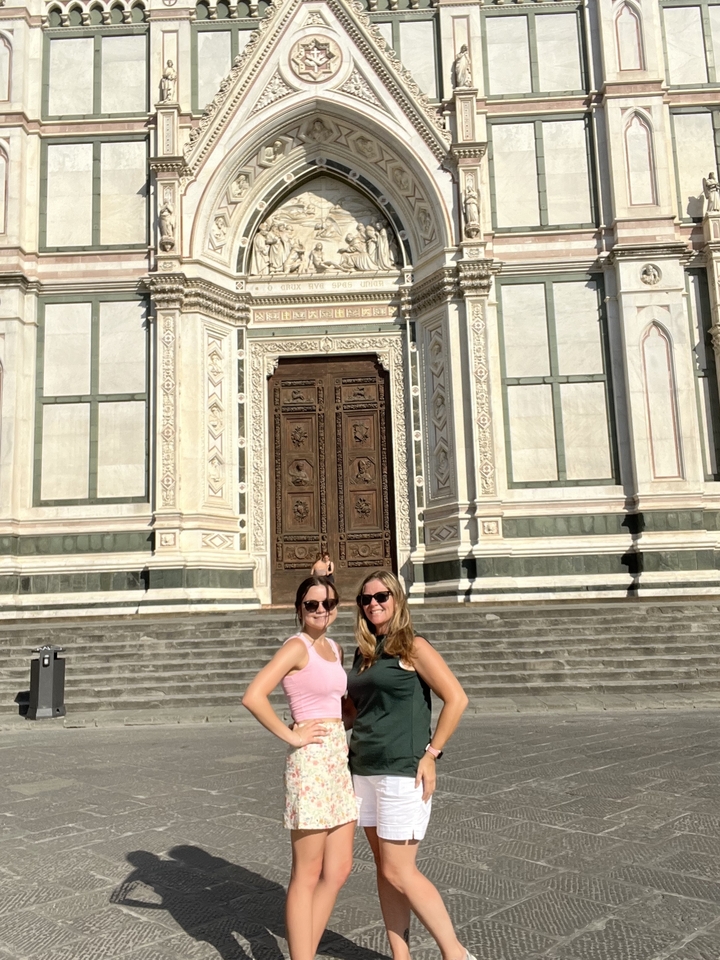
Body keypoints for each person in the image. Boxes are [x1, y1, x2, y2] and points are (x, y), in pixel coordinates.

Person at [345, 570, 475, 960]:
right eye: (366, 599)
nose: (374, 604)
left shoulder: (412, 646)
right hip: (363, 769)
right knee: (385, 870)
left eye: (382, 596)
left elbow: (457, 698)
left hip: (403, 769)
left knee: (400, 871)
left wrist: (432, 754)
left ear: (397, 598)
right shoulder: (364, 652)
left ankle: (455, 954)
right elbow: (355, 712)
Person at [242, 577, 358, 960]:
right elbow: (254, 696)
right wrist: (291, 737)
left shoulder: (335, 648)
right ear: (299, 609)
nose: (320, 610)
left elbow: (334, 699)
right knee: (306, 874)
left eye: (327, 603)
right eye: (311, 604)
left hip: (338, 762)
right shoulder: (296, 647)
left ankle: (304, 949)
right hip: (310, 765)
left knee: (339, 868)